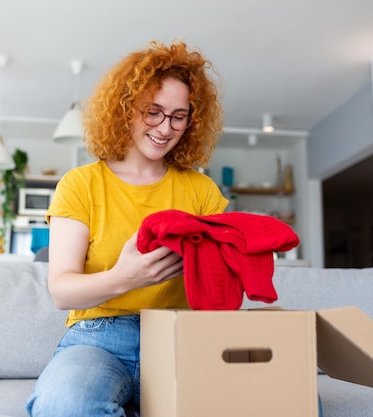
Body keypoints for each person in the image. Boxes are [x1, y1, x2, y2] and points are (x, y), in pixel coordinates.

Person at [25, 40, 228, 417]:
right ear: (126, 109)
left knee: (286, 396)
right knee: (63, 406)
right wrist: (126, 276)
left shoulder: (201, 190)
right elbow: (62, 290)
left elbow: (220, 283)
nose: (165, 128)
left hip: (180, 338)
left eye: (178, 116)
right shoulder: (80, 184)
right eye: (153, 112)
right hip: (98, 340)